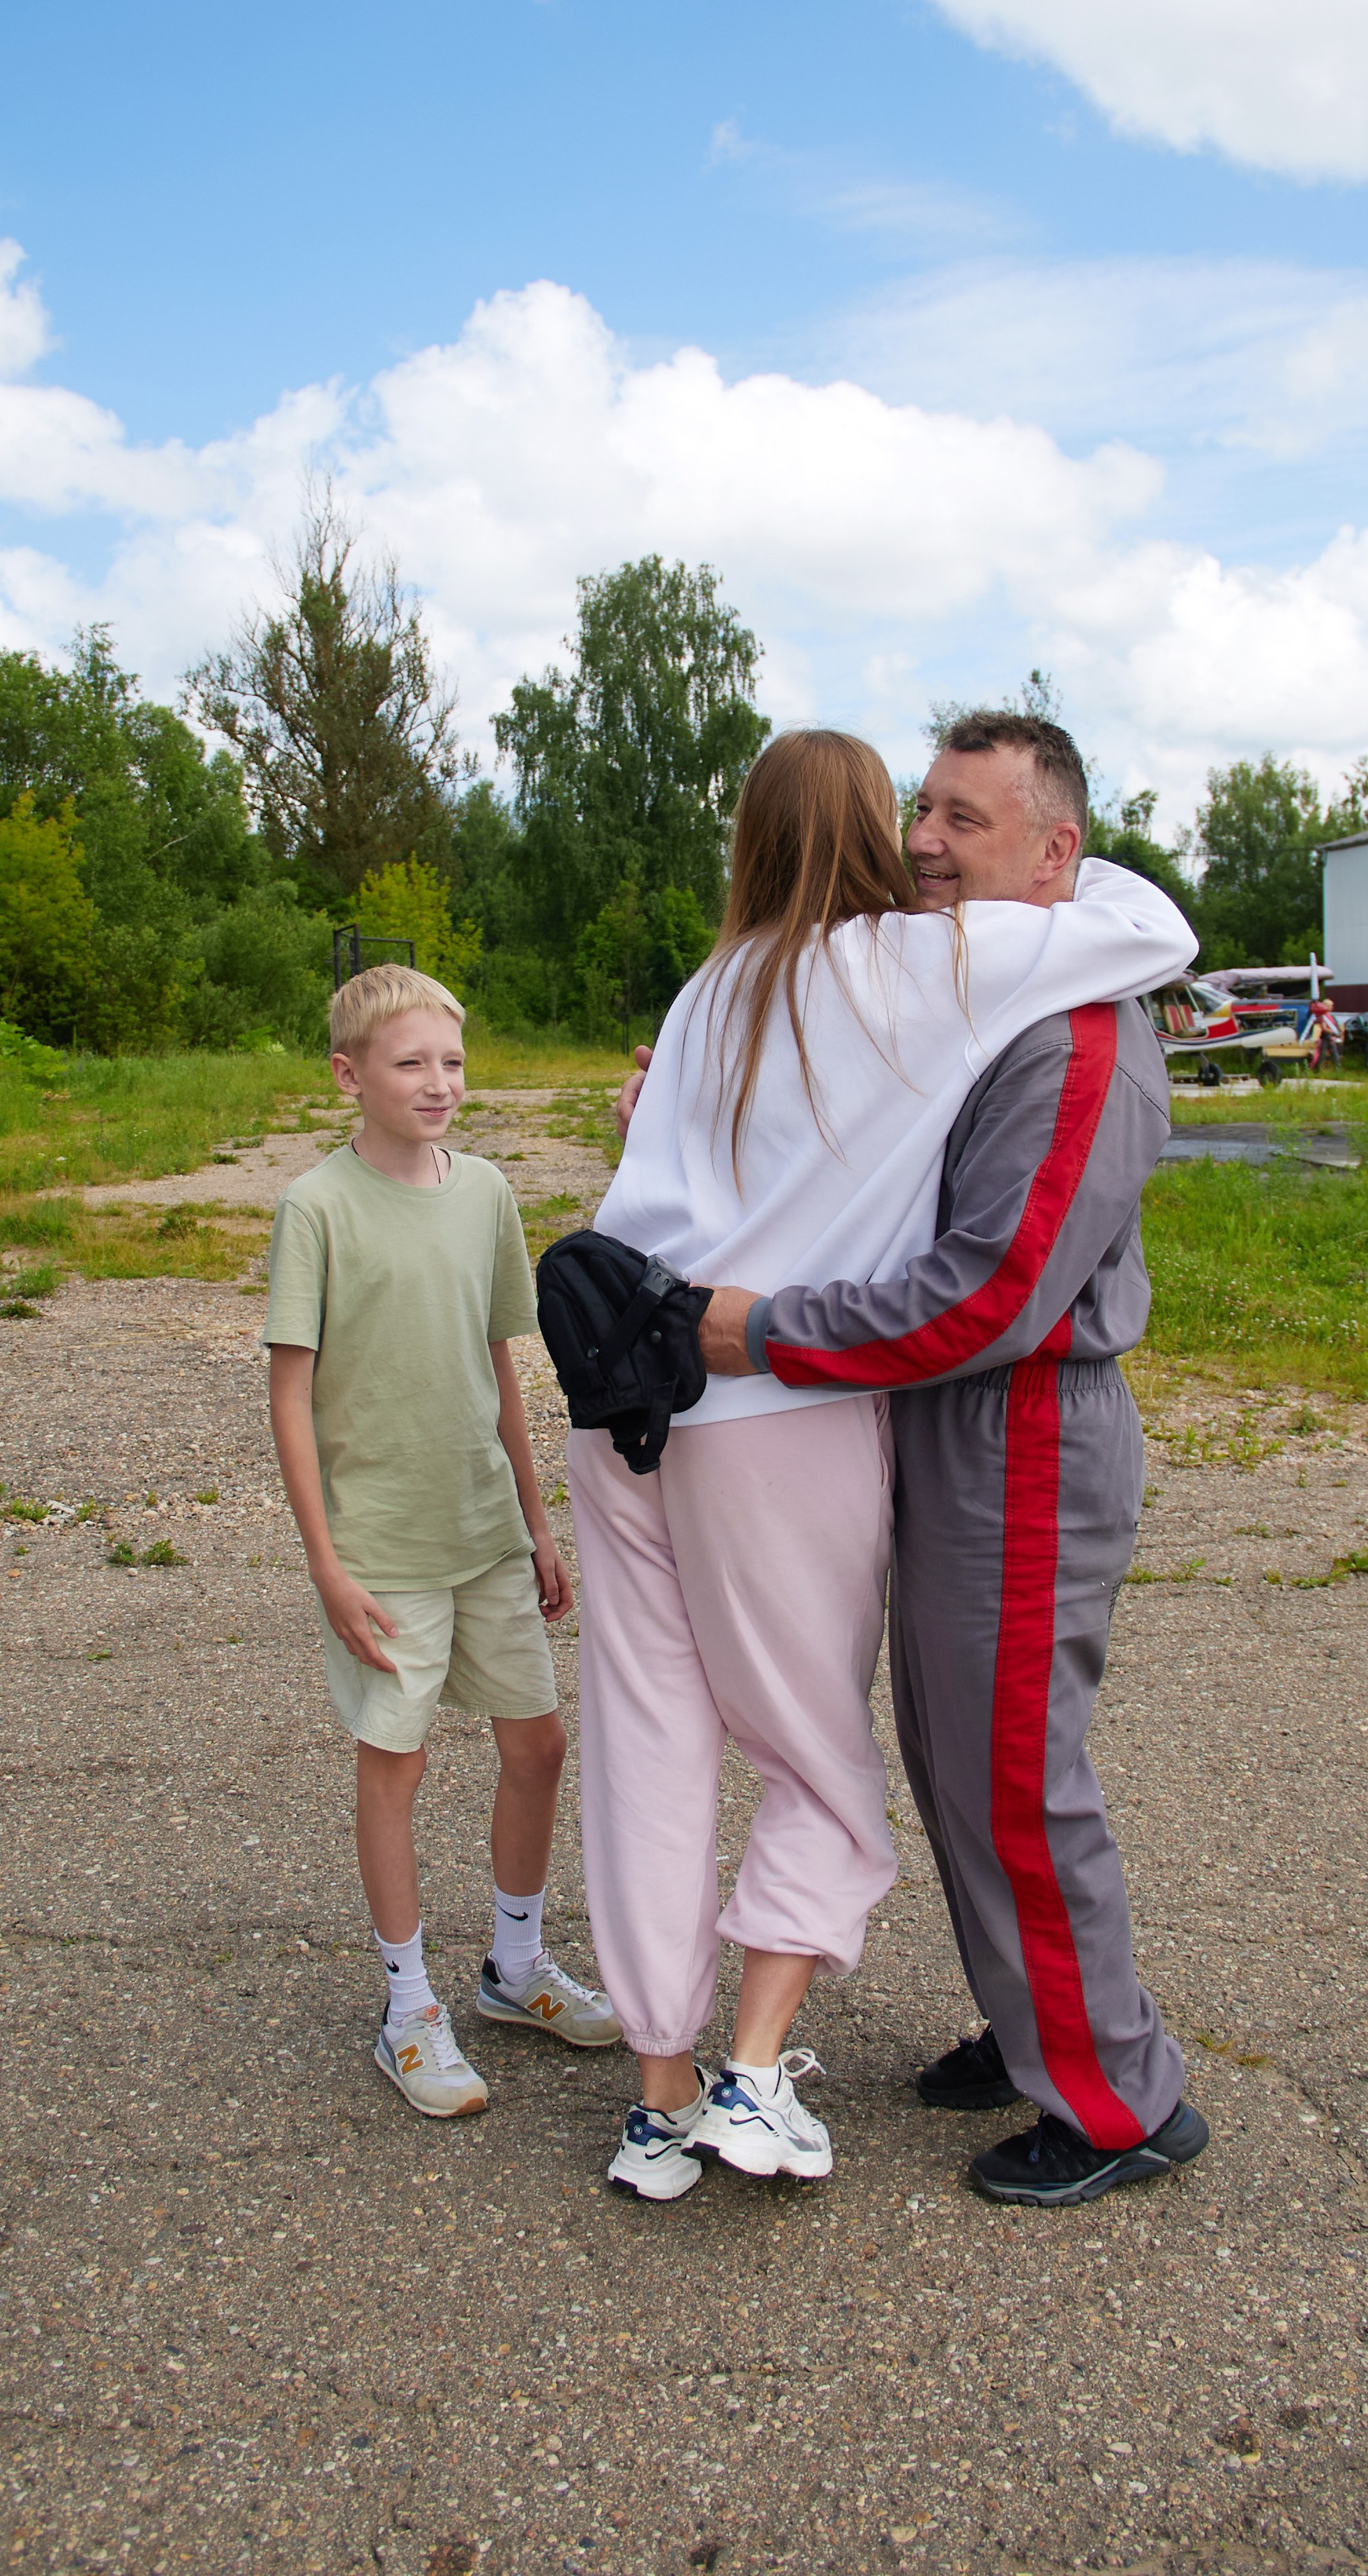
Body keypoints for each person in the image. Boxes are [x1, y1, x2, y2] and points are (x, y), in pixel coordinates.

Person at [580, 728, 1196, 2202]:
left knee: (1009, 1773)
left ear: (1054, 854)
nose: (923, 842)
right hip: (903, 1407)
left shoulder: (1075, 1028)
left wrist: (760, 1326)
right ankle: (1034, 2019)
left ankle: (1112, 2099)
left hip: (1018, 1421)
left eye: (963, 822)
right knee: (950, 1754)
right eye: (916, 809)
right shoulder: (965, 996)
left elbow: (993, 1294)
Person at [264, 963, 619, 2124]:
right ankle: (408, 2006)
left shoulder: (488, 1198)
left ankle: (515, 1969)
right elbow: (290, 1397)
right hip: (383, 1550)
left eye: (452, 1062)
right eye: (410, 1062)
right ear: (348, 1073)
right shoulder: (317, 1207)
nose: (438, 1084)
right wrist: (326, 1562)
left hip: (484, 1533)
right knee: (398, 1763)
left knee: (540, 1745)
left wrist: (535, 1521)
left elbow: (503, 1368)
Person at [1300, 996, 1343, 1071]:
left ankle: (1325, 1068)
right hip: (1325, 1037)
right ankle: (1323, 1068)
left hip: (1330, 1037)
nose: (1332, 1007)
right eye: (1330, 1006)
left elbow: (1336, 1026)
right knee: (1325, 1053)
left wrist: (1338, 1032)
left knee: (1329, 1052)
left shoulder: (1331, 1016)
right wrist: (1334, 1032)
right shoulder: (1323, 1016)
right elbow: (1324, 1028)